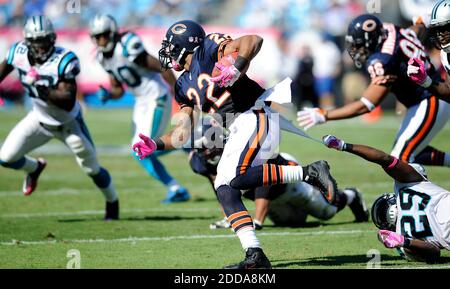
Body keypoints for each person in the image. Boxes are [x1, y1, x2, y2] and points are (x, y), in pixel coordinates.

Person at [133, 20, 339, 269]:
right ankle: (255, 254)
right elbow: (182, 132)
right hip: (238, 124)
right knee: (225, 186)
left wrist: (236, 67)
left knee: (234, 179)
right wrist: (155, 144)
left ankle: (309, 173)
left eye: (171, 45)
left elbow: (254, 41)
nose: (167, 51)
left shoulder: (208, 48)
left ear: (186, 45)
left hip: (255, 113)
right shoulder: (182, 84)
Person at [0, 16, 119, 220]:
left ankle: (112, 202)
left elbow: (67, 99)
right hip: (38, 119)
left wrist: (41, 88)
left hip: (69, 124)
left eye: (44, 40)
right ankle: (35, 167)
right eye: (35, 41)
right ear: (27, 42)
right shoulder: (17, 53)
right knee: (6, 157)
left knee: (92, 169)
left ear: (52, 39)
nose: (40, 46)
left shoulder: (64, 59)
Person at [297, 14, 450, 167]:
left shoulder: (382, 60)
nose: (356, 50)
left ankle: (419, 192)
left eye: (359, 44)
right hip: (425, 99)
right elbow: (416, 29)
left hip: (429, 100)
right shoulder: (390, 30)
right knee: (414, 153)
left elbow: (367, 104)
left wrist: (326, 115)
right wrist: (421, 22)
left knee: (401, 160)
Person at [188, 121, 368, 229]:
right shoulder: (200, 162)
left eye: (206, 146)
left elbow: (265, 182)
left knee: (326, 212)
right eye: (200, 148)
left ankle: (351, 196)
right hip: (271, 194)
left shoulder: (238, 149)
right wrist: (229, 216)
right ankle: (298, 209)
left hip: (285, 178)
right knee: (292, 222)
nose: (204, 152)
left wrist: (257, 221)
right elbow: (220, 187)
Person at [89, 14, 190, 204]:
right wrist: (109, 95)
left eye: (103, 35)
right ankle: (182, 151)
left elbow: (162, 66)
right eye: (96, 36)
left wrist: (178, 92)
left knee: (143, 149)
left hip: (156, 97)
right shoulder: (103, 57)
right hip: (141, 102)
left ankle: (177, 183)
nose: (100, 40)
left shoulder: (127, 45)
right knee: (140, 151)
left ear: (111, 33)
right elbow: (118, 88)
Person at [323, 134, 450, 263]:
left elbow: (434, 253)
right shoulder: (408, 183)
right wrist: (343, 145)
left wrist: (405, 242)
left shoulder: (403, 233)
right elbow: (384, 158)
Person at [406, 0, 450, 103]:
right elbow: (448, 92)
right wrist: (425, 80)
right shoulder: (446, 54)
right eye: (437, 30)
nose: (440, 35)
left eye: (444, 28)